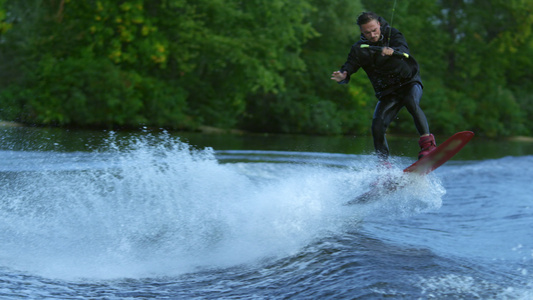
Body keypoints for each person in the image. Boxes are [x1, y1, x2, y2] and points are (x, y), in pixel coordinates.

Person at [331, 11, 436, 164]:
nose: (372, 35)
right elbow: (349, 66)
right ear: (362, 31)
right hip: (388, 92)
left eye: (374, 30)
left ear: (379, 24)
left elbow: (404, 50)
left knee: (410, 102)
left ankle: (428, 146)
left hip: (409, 82)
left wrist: (394, 51)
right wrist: (343, 75)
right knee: (377, 124)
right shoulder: (360, 49)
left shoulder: (392, 34)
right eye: (367, 32)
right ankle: (383, 167)